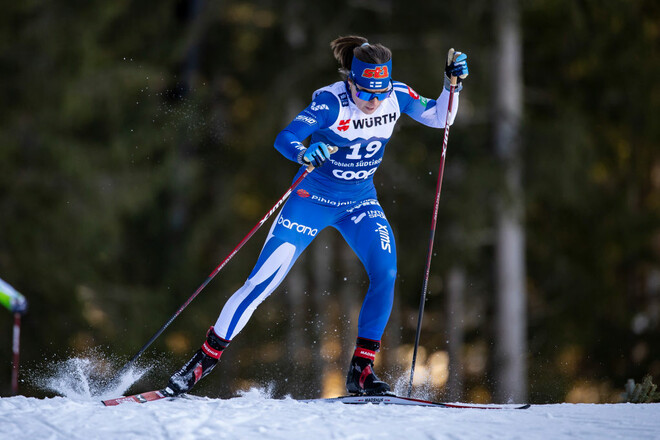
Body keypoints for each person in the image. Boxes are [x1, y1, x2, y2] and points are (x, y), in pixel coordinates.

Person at [164, 35, 468, 397]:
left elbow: (439, 116)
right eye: (366, 92)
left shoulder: (396, 94)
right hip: (311, 199)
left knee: (386, 272)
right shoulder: (329, 102)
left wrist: (454, 86)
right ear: (350, 82)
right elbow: (286, 137)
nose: (373, 101)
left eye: (380, 93)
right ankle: (201, 362)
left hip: (359, 201)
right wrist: (305, 152)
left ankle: (361, 370)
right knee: (261, 282)